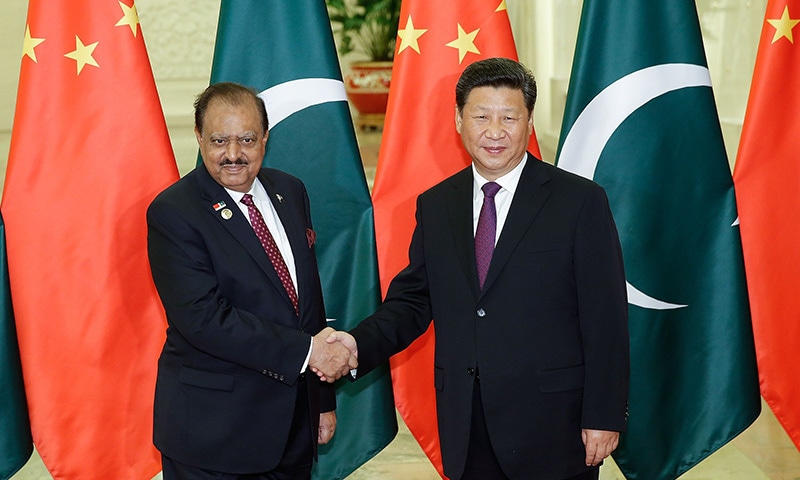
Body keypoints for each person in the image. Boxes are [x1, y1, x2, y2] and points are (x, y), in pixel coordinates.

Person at [323, 58, 629, 480]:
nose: (495, 131)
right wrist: (354, 346)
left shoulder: (578, 202)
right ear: (458, 119)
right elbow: (413, 302)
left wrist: (604, 414)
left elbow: (606, 317)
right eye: (481, 116)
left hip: (553, 426)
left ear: (528, 121)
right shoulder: (437, 205)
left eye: (509, 117)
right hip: (466, 423)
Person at [146, 82, 356, 480]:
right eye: (219, 141)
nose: (233, 155)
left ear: (265, 138)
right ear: (199, 138)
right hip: (214, 435)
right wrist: (310, 354)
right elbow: (203, 320)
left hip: (292, 427)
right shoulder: (174, 212)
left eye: (246, 140)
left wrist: (321, 399)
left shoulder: (289, 191)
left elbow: (307, 301)